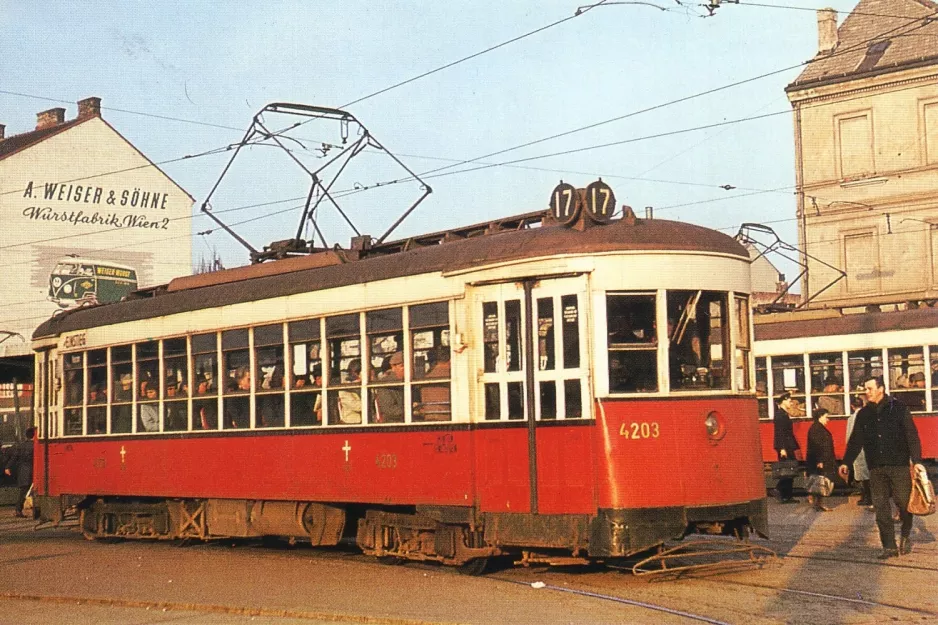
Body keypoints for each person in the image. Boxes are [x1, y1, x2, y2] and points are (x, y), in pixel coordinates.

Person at [839, 376, 925, 559]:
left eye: (869, 389)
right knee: (881, 508)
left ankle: (905, 533)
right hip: (876, 468)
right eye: (865, 389)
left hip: (899, 466)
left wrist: (917, 460)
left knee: (904, 503)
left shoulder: (899, 409)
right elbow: (856, 441)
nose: (866, 392)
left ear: (881, 389)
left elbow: (912, 436)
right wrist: (846, 462)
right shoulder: (863, 415)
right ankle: (889, 547)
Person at [805, 408, 838, 512]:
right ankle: (817, 502)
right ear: (820, 416)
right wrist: (820, 461)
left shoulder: (817, 428)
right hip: (820, 460)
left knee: (820, 482)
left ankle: (817, 502)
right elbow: (816, 446)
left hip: (822, 459)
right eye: (826, 417)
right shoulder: (816, 429)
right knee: (820, 481)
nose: (827, 419)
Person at [845, 393, 872, 507]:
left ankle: (866, 498)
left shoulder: (852, 419)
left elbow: (849, 436)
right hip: (868, 449)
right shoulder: (868, 416)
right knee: (869, 475)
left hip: (858, 451)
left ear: (852, 406)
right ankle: (869, 498)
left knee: (863, 477)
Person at [774, 392, 800, 503]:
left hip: (787, 445)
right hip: (785, 446)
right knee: (788, 470)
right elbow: (779, 433)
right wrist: (782, 448)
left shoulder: (783, 413)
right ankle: (781, 491)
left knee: (789, 469)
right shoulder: (780, 415)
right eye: (789, 401)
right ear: (783, 401)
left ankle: (786, 495)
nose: (791, 402)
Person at [4, 427, 35, 518]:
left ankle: (18, 509)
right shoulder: (35, 446)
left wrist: (7, 467)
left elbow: (14, 457)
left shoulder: (21, 445)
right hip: (32, 470)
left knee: (23, 491)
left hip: (23, 470)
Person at [373, 353, 405, 423]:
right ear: (393, 367)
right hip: (393, 424)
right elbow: (389, 409)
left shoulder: (412, 380)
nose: (407, 368)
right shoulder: (385, 384)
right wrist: (411, 410)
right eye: (402, 366)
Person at [337, 359, 362, 424]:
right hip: (352, 423)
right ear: (357, 373)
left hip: (369, 420)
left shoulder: (367, 385)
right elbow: (356, 406)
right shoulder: (345, 388)